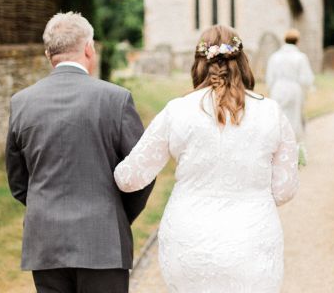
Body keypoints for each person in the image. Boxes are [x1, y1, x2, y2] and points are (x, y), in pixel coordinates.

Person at [114, 25, 299, 292]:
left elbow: (129, 178)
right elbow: (285, 190)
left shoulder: (177, 110)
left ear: (200, 62)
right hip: (252, 240)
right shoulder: (271, 112)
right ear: (242, 61)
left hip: (189, 242)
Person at [5, 12, 154, 293]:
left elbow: (18, 181)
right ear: (89, 48)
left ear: (49, 52)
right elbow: (141, 173)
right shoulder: (116, 99)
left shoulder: (21, 103)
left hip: (46, 242)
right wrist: (115, 214)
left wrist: (49, 209)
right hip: (104, 241)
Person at [266, 29, 315, 141]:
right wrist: (307, 89)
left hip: (277, 88)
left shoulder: (275, 56)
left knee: (278, 117)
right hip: (293, 88)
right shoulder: (300, 57)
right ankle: (292, 145)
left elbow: (269, 77)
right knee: (293, 118)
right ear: (297, 41)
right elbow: (306, 79)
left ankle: (278, 142)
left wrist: (271, 88)